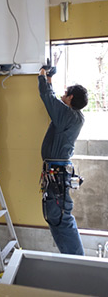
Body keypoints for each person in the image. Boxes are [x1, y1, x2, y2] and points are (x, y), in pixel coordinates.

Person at [38, 66, 88, 255]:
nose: (63, 95)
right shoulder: (74, 116)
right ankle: (72, 259)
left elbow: (48, 99)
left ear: (71, 99)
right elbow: (55, 102)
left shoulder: (67, 115)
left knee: (60, 218)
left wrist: (42, 75)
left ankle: (77, 261)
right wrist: (50, 79)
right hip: (57, 173)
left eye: (66, 93)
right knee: (57, 216)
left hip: (57, 174)